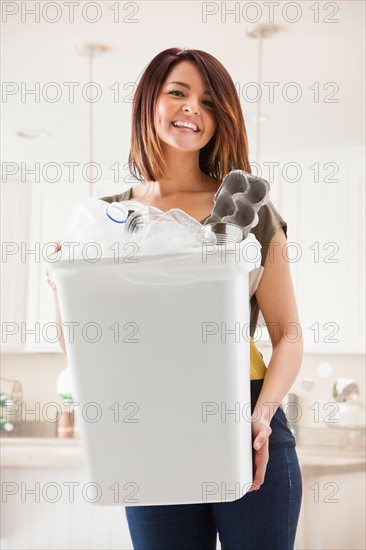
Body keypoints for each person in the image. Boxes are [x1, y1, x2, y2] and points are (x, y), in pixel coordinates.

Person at [49, 47, 303, 550]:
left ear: (221, 119)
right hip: (146, 421)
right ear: (149, 102)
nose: (192, 109)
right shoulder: (103, 219)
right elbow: (80, 343)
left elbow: (288, 334)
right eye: (178, 93)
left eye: (209, 102)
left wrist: (261, 419)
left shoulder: (247, 212)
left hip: (244, 415)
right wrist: (61, 280)